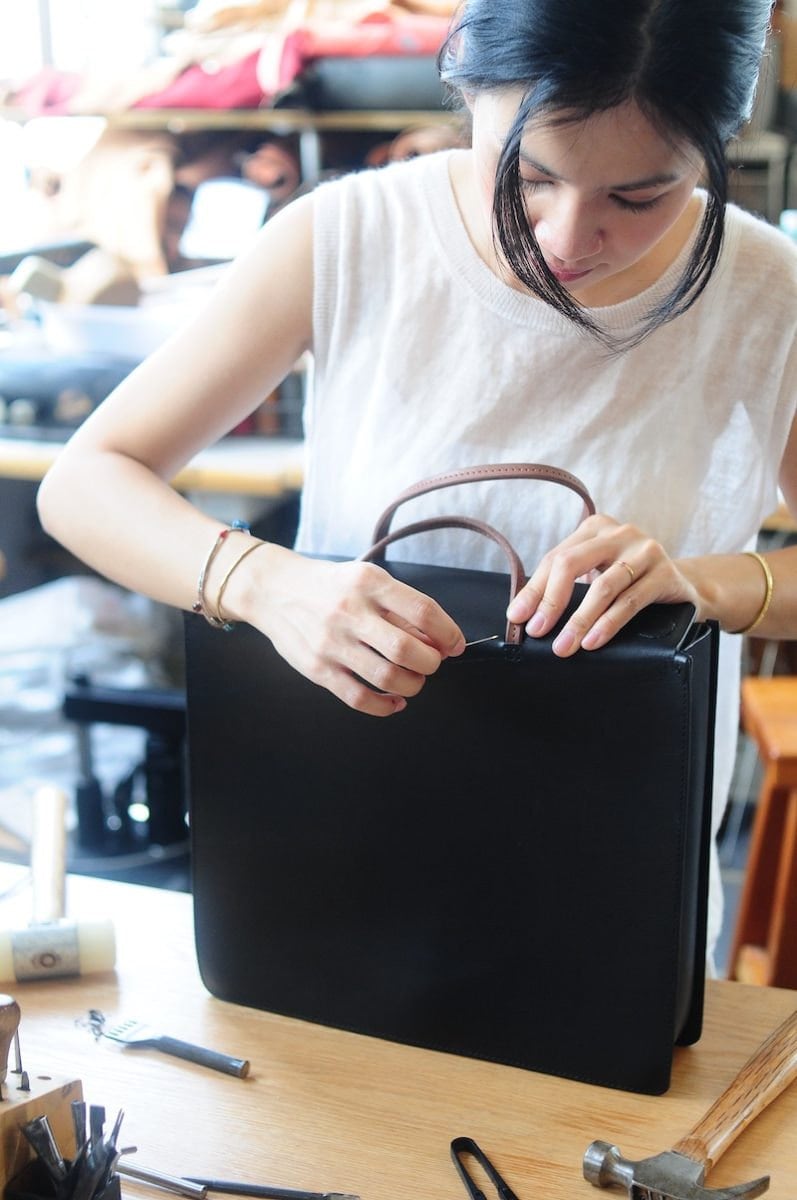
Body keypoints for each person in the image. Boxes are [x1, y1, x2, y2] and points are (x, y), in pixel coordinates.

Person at [37, 0, 797, 970]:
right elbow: (87, 481)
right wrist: (264, 584)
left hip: (608, 869)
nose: (568, 236)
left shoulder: (765, 293)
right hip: (342, 833)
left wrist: (705, 585)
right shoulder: (349, 237)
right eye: (526, 176)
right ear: (464, 88)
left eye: (639, 197)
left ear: (717, 144)